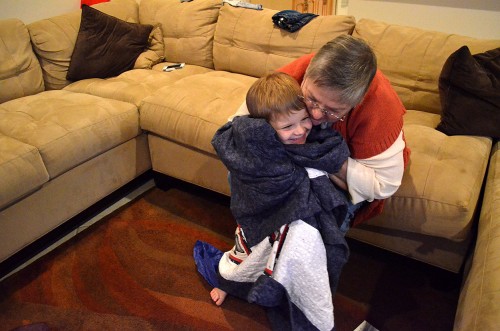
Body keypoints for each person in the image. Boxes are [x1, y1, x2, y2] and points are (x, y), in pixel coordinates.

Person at [197, 72, 350, 330]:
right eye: (287, 127)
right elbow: (255, 188)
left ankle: (289, 289)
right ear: (265, 129)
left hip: (291, 222)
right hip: (258, 216)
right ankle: (229, 283)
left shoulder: (312, 139)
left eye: (304, 120)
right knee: (245, 251)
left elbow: (328, 154)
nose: (300, 130)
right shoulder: (255, 150)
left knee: (300, 237)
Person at [232, 34, 411, 232]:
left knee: (313, 225)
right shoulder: (299, 73)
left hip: (346, 174)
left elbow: (383, 185)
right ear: (307, 74)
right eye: (311, 99)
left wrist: (320, 158)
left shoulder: (381, 107)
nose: (316, 115)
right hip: (313, 169)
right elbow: (237, 125)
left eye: (333, 111)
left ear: (356, 103)